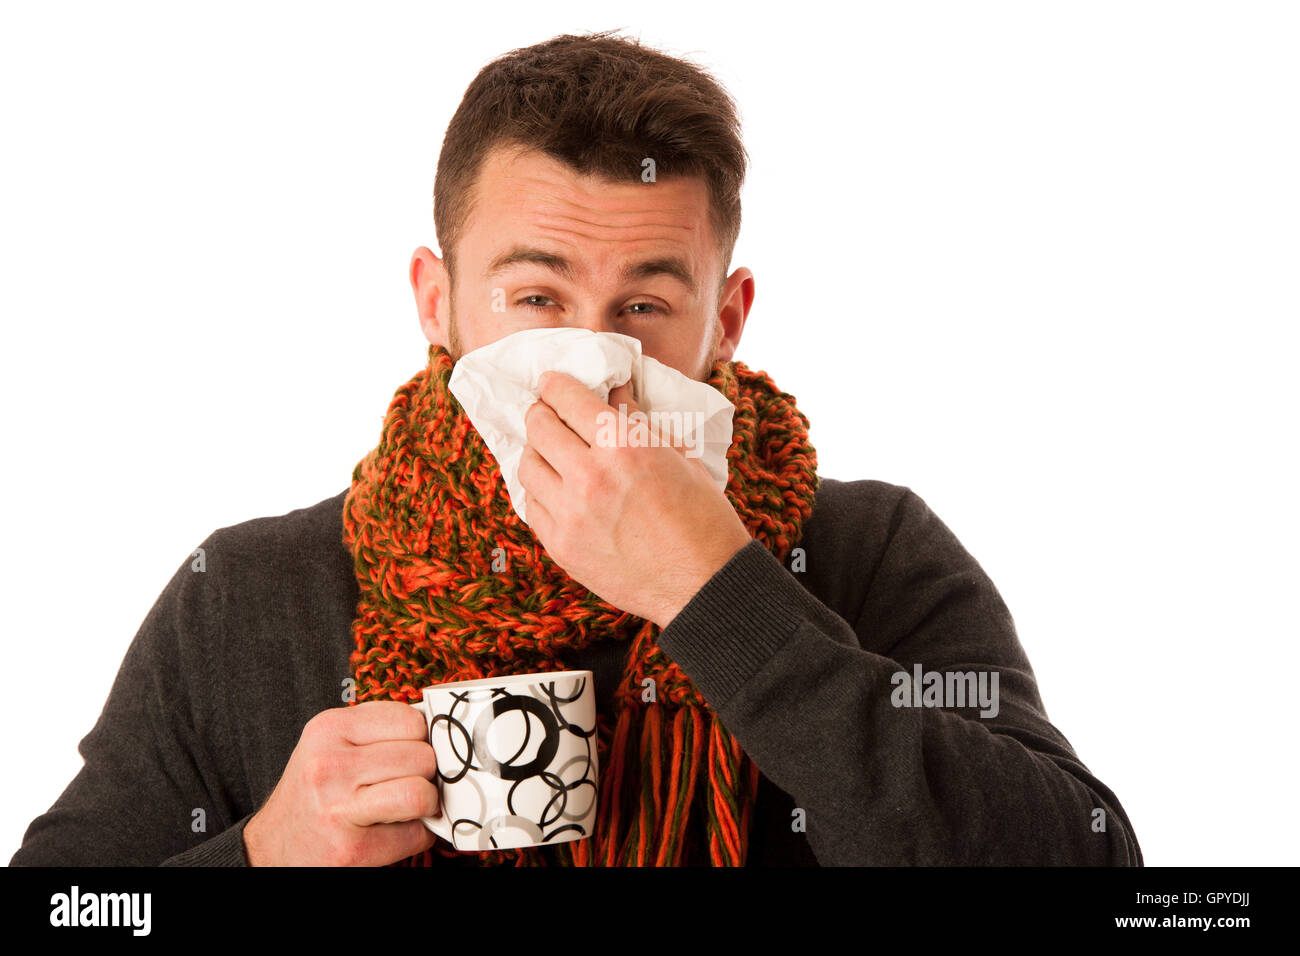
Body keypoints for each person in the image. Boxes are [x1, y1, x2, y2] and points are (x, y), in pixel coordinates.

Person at [10, 30, 1141, 867]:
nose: (589, 363)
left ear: (726, 319)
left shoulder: (860, 548)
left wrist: (717, 589)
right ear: (437, 301)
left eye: (645, 306)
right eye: (536, 296)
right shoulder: (249, 594)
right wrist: (259, 852)